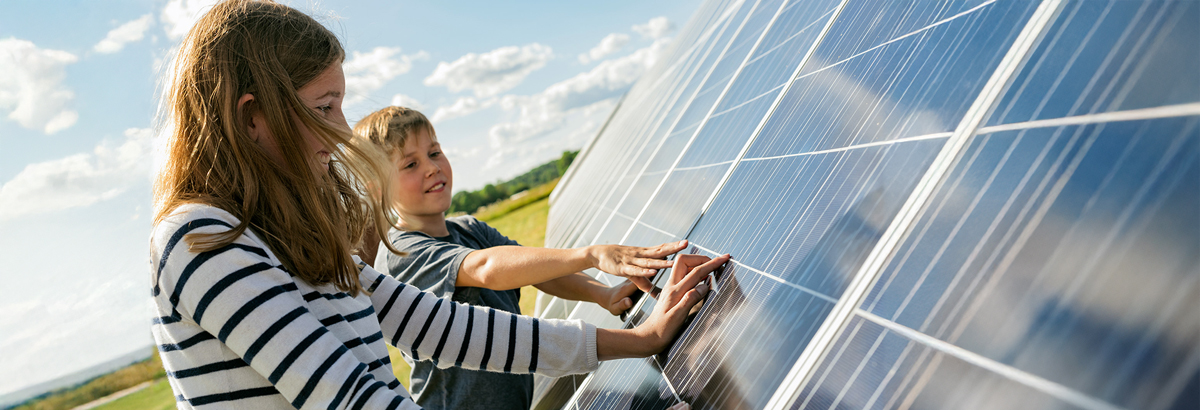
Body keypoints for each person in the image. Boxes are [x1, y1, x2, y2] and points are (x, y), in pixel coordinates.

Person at [149, 1, 728, 409]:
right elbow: (351, 398)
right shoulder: (202, 239)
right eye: (324, 108)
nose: (342, 131)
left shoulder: (290, 240)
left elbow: (455, 330)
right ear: (253, 117)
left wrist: (642, 339)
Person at [353, 106, 690, 409]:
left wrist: (602, 294)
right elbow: (486, 269)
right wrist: (590, 255)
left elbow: (536, 270)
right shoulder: (402, 254)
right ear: (376, 186)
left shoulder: (468, 229)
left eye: (435, 152)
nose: (431, 167)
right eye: (411, 164)